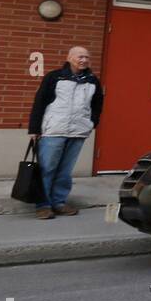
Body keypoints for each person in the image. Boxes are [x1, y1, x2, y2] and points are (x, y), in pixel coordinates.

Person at [27, 46, 103, 220]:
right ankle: (43, 205)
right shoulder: (54, 77)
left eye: (86, 57)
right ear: (69, 58)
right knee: (47, 169)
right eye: (80, 57)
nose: (84, 60)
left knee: (65, 170)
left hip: (78, 132)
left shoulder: (92, 80)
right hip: (54, 130)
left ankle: (59, 202)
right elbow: (40, 102)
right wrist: (34, 128)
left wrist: (91, 123)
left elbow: (97, 105)